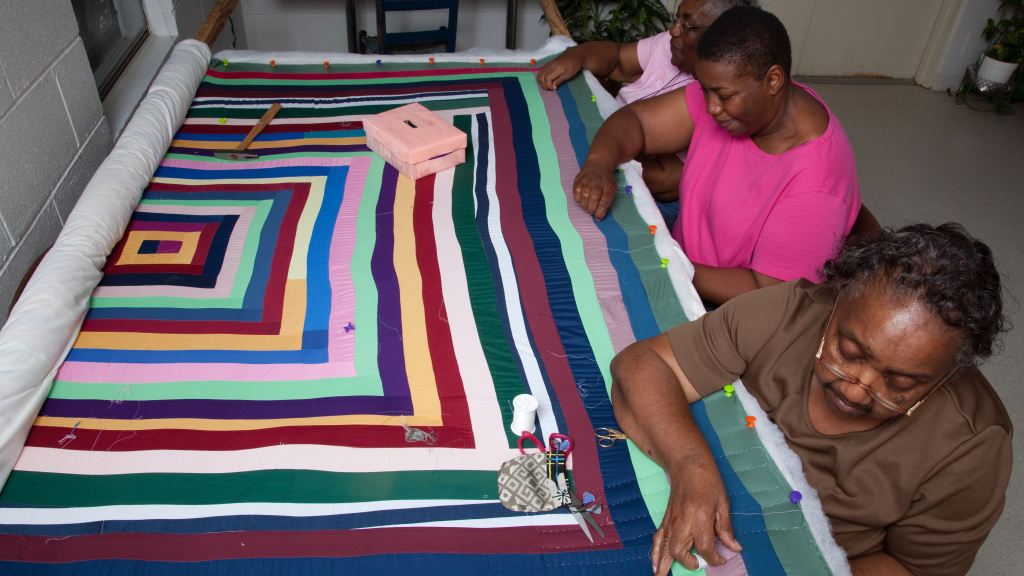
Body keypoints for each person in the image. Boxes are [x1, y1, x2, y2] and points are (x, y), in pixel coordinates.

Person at [610, 223, 1012, 576]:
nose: (856, 389)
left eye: (900, 382)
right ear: (836, 302)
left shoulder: (973, 446)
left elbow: (915, 568)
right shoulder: (792, 312)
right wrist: (690, 466)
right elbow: (643, 364)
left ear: (947, 374)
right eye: (849, 352)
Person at [573, 6, 860, 305]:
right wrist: (599, 164)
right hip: (680, 260)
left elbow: (771, 293)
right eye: (704, 89)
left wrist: (667, 264)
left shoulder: (816, 181)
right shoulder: (739, 91)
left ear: (773, 80)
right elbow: (637, 122)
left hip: (722, 311)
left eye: (722, 96)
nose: (710, 108)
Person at [538, 0, 754, 199]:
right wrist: (577, 56)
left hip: (636, 184)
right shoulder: (671, 46)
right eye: (676, 19)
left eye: (687, 26)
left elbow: (665, 179)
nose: (673, 30)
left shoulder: (710, 99)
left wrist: (600, 154)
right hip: (603, 150)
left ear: (725, 37)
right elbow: (617, 59)